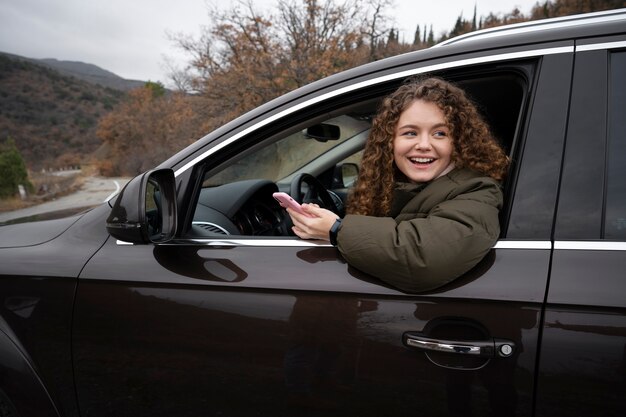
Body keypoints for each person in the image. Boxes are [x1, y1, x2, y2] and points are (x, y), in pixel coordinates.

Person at [286, 76, 509, 292]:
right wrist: (322, 222)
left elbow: (423, 259)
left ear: (458, 141)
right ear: (390, 141)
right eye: (410, 133)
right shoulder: (388, 185)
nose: (423, 145)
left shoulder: (478, 190)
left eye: (440, 133)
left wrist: (336, 230)